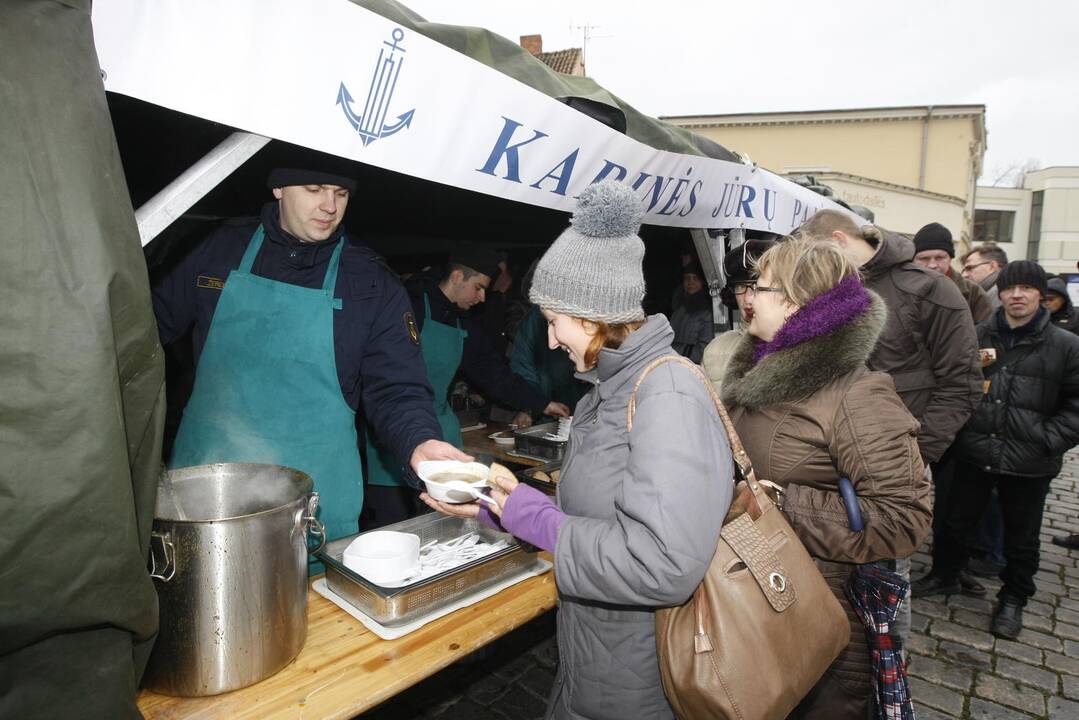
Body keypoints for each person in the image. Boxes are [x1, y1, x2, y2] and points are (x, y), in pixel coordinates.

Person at [422, 180, 734, 720]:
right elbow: (595, 513)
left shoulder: (670, 393)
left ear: (591, 313)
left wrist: (533, 516)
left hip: (643, 675)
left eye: (552, 321)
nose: (550, 341)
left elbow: (661, 564)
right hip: (593, 657)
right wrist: (496, 506)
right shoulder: (607, 389)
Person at [151, 159, 469, 556]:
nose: (329, 207)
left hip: (314, 508)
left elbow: (397, 387)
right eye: (315, 190)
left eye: (341, 194)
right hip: (208, 496)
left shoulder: (370, 282)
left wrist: (419, 442)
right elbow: (143, 340)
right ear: (279, 189)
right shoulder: (213, 249)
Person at [719, 237, 931, 718]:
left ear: (798, 301)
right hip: (758, 592)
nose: (747, 297)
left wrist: (781, 505)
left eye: (761, 287)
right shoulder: (756, 370)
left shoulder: (857, 394)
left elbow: (904, 518)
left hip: (820, 610)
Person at [794, 210, 981, 650]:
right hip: (826, 462)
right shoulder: (830, 287)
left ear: (840, 240)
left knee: (887, 578)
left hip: (893, 469)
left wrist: (916, 455)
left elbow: (963, 383)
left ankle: (887, 675)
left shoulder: (931, 289)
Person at [913, 261, 1079, 639]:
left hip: (1029, 462)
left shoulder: (1066, 347)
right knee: (955, 521)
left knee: (1021, 537)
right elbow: (953, 384)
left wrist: (1047, 438)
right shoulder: (978, 333)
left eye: (1026, 288)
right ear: (1000, 292)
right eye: (1009, 288)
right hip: (973, 451)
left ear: (1042, 295)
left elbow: (1076, 406)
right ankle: (945, 575)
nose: (1016, 295)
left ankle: (1014, 597)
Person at [364, 245, 570, 527]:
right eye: (479, 288)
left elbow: (495, 374)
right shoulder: (408, 304)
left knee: (442, 526)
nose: (482, 297)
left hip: (442, 433)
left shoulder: (465, 324)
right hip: (393, 435)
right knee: (394, 527)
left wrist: (542, 403)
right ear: (458, 276)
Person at [701, 238, 775, 393]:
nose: (748, 299)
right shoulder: (714, 350)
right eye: (741, 286)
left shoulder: (794, 344)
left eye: (756, 287)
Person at [913, 222, 994, 322]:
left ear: (950, 259)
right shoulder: (901, 290)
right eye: (924, 258)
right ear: (913, 260)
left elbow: (985, 332)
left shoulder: (974, 294)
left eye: (939, 258)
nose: (932, 265)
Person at [668, 259, 714, 363]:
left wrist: (669, 350)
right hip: (674, 365)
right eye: (687, 278)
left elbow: (704, 352)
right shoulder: (678, 310)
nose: (690, 282)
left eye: (695, 278)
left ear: (703, 282)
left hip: (696, 370)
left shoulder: (708, 312)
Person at [961, 243, 1009, 308]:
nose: (964, 275)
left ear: (992, 266)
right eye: (963, 271)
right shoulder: (986, 293)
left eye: (969, 268)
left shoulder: (999, 295)